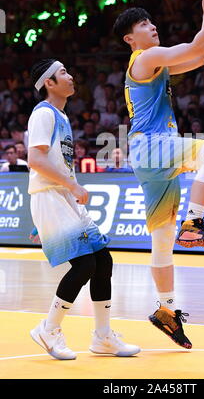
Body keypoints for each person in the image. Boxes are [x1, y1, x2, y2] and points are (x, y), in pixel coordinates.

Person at [113, 0, 204, 349]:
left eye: (151, 22)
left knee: (161, 244)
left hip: (147, 157)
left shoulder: (153, 62)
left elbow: (199, 55)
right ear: (130, 39)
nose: (152, 26)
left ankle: (166, 311)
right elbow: (194, 46)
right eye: (143, 25)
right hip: (153, 146)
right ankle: (194, 222)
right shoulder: (145, 58)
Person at [28, 59, 140, 360]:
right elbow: (36, 161)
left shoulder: (61, 116)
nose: (71, 75)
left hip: (61, 197)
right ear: (49, 83)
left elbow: (52, 161)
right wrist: (74, 188)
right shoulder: (43, 113)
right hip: (52, 196)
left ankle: (103, 337)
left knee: (103, 260)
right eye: (63, 72)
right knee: (85, 265)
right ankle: (48, 328)